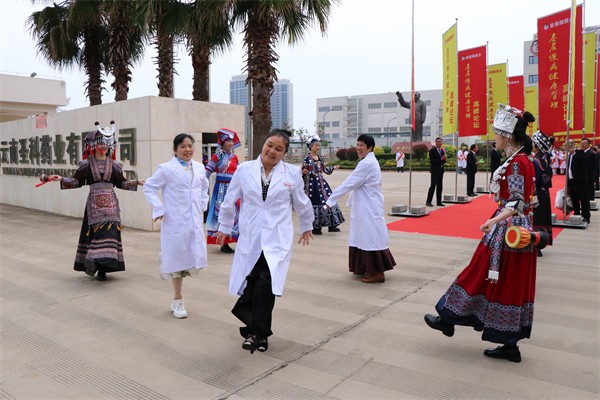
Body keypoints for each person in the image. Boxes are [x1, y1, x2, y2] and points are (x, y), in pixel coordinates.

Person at [424, 104, 537, 363]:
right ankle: (503, 340)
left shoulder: (517, 163)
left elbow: (516, 201)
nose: (494, 138)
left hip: (509, 231)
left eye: (496, 133)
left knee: (481, 273)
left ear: (507, 135)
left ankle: (449, 318)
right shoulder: (522, 160)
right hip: (515, 229)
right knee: (506, 282)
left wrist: (494, 220)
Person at [215, 129, 314, 354]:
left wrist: (306, 225)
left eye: (279, 149)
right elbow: (230, 199)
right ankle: (259, 334)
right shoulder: (244, 170)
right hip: (251, 236)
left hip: (277, 237)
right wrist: (224, 226)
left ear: (284, 153)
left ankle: (254, 332)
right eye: (270, 145)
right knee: (252, 284)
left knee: (265, 284)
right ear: (264, 144)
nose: (272, 151)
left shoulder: (291, 173)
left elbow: (301, 201)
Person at [42, 121, 143, 281]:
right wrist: (61, 179)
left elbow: (121, 183)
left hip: (111, 207)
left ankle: (102, 268)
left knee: (109, 234)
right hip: (93, 207)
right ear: (93, 145)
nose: (104, 146)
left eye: (107, 143)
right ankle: (93, 261)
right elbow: (77, 182)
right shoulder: (86, 164)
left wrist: (137, 182)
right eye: (100, 143)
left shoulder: (115, 165)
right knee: (97, 235)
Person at [143, 133, 209, 319]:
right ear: (175, 149)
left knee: (190, 258)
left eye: (190, 146)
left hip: (194, 221)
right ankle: (178, 299)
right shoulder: (166, 169)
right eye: (183, 146)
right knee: (176, 262)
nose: (188, 149)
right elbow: (149, 187)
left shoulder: (199, 168)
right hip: (175, 222)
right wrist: (159, 208)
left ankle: (178, 297)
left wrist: (202, 204)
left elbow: (204, 188)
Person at [324, 134, 396, 284]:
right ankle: (362, 266)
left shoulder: (367, 163)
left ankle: (377, 272)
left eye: (362, 145)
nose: (358, 148)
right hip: (365, 205)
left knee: (370, 237)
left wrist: (331, 200)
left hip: (368, 207)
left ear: (370, 148)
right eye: (357, 145)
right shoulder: (368, 161)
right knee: (362, 236)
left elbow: (349, 183)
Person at [205, 128, 241, 253]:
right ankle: (223, 242)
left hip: (233, 189)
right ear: (223, 142)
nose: (230, 143)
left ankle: (231, 239)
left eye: (232, 141)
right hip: (220, 189)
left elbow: (239, 173)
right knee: (221, 214)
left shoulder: (235, 157)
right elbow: (207, 171)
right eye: (228, 141)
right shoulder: (217, 156)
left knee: (235, 213)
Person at [302, 137, 345, 235]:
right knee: (316, 202)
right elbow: (303, 170)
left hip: (322, 184)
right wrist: (304, 172)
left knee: (329, 200)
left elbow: (324, 169)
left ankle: (332, 225)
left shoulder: (320, 157)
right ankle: (316, 227)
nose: (318, 147)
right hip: (313, 186)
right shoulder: (307, 158)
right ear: (311, 146)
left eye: (319, 146)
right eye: (316, 145)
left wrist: (333, 167)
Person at [531, 131, 554, 256]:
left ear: (537, 146)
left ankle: (536, 245)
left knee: (536, 217)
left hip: (537, 193)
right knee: (541, 217)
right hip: (544, 193)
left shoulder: (536, 161)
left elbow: (534, 180)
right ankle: (540, 243)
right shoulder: (544, 159)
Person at [566, 141, 590, 224]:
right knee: (574, 199)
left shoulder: (580, 152)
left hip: (580, 181)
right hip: (571, 180)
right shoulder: (569, 155)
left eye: (569, 145)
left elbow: (582, 161)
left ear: (573, 145)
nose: (568, 146)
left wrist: (574, 153)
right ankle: (576, 213)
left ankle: (586, 216)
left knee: (583, 199)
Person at [425, 137, 447, 207]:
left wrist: (444, 159)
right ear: (435, 143)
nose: (439, 143)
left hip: (440, 171)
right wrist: (441, 159)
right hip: (434, 171)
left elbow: (443, 161)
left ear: (441, 143)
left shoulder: (442, 150)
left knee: (440, 186)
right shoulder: (432, 151)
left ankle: (439, 202)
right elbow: (433, 161)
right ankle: (428, 201)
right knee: (433, 186)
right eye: (437, 142)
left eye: (440, 142)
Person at [581, 138, 597, 204]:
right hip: (583, 175)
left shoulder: (591, 153)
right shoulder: (582, 152)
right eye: (581, 143)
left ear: (588, 144)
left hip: (589, 175)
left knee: (589, 189)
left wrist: (595, 175)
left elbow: (594, 165)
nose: (582, 145)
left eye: (583, 143)